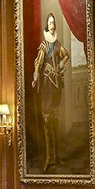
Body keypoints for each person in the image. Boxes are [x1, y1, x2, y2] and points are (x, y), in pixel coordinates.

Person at [30, 12, 67, 170]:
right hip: (46, 86)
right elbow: (38, 63)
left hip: (56, 86)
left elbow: (66, 56)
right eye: (50, 23)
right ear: (47, 25)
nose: (52, 25)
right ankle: (48, 158)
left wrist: (59, 66)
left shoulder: (58, 44)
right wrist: (35, 78)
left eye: (54, 23)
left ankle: (57, 156)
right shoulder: (44, 46)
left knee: (56, 122)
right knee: (46, 122)